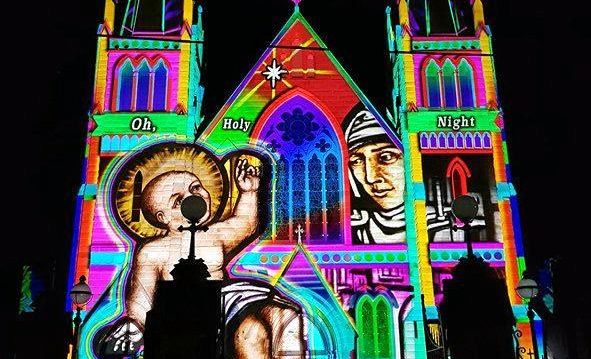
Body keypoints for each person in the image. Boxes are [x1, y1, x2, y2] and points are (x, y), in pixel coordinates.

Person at [104, 158, 303, 358]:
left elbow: (246, 223)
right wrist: (134, 325)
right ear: (162, 217)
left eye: (196, 188)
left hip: (229, 301)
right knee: (250, 335)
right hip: (189, 312)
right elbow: (142, 298)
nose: (193, 198)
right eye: (178, 200)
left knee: (285, 317)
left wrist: (248, 192)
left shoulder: (214, 234)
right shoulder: (153, 250)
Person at [344, 109, 406, 244]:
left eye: (386, 157)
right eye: (357, 161)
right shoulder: (352, 227)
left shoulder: (448, 226)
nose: (371, 178)